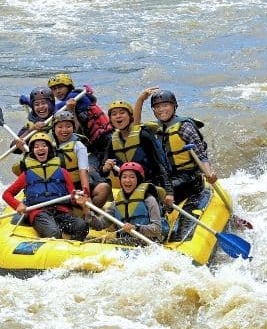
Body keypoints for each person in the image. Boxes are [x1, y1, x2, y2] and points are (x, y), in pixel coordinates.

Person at [134, 87, 216, 241]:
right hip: (167, 177)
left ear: (174, 106)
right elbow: (135, 127)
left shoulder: (185, 127)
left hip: (190, 178)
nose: (161, 109)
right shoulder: (154, 128)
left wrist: (209, 173)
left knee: (159, 192)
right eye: (157, 107)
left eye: (165, 105)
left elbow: (201, 155)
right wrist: (140, 100)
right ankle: (149, 225)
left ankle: (158, 228)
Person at [2, 132, 89, 240]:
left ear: (49, 149)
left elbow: (71, 195)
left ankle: (75, 247)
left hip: (62, 211)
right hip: (39, 212)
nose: (40, 149)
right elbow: (6, 194)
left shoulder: (62, 172)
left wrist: (78, 198)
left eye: (44, 146)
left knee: (81, 226)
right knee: (54, 233)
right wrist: (17, 205)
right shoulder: (26, 174)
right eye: (36, 146)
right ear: (33, 151)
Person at [101, 99, 174, 206]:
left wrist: (169, 192)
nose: (118, 116)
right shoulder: (112, 141)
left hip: (151, 184)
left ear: (130, 116)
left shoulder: (143, 135)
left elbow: (160, 164)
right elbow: (104, 172)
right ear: (111, 119)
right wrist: (106, 167)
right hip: (128, 186)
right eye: (114, 114)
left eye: (122, 112)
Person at [84, 162, 166, 244]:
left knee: (114, 243)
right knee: (89, 240)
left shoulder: (149, 200)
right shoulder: (116, 203)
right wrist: (87, 210)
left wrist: (136, 228)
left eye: (132, 177)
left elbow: (157, 229)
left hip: (147, 241)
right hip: (125, 241)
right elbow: (100, 225)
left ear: (138, 179)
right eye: (124, 177)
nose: (127, 180)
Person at [46, 73, 113, 171]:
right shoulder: (69, 104)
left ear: (69, 87)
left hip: (105, 140)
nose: (58, 91)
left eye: (60, 87)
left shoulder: (75, 96)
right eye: (54, 89)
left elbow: (54, 110)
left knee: (94, 167)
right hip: (94, 144)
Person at [51, 110, 111, 207]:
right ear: (54, 129)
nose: (64, 130)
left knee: (104, 188)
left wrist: (85, 193)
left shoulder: (78, 146)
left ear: (73, 128)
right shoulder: (48, 146)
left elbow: (83, 171)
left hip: (78, 185)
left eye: (68, 126)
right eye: (60, 127)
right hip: (59, 187)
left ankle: (89, 213)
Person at [12, 86, 55, 153]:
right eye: (36, 104)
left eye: (44, 103)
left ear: (51, 104)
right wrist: (31, 130)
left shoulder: (60, 118)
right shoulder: (31, 124)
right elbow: (14, 149)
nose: (40, 107)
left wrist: (71, 110)